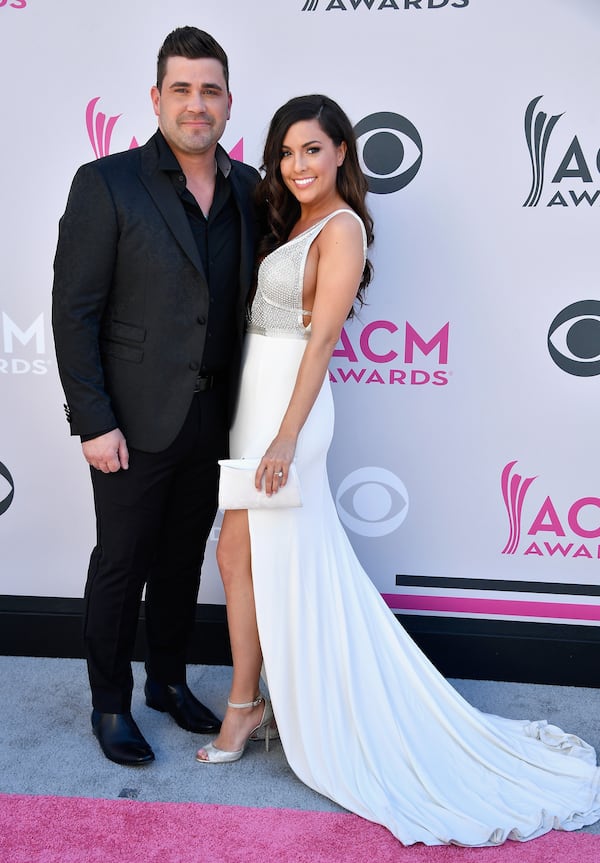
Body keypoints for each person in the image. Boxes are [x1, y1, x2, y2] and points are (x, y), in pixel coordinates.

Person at [194, 93, 600, 846]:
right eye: (286, 152)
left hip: (290, 412)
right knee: (237, 552)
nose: (297, 164)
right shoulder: (299, 221)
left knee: (255, 552)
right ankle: (253, 700)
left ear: (343, 152)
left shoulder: (342, 227)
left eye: (312, 149)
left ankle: (247, 703)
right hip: (260, 403)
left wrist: (285, 438)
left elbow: (318, 345)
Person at [51, 26, 259, 766]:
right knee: (122, 560)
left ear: (228, 101)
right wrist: (95, 420)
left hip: (215, 414)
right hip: (132, 420)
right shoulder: (106, 182)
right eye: (182, 89)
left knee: (180, 562)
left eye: (210, 90)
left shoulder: (248, 188)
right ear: (156, 98)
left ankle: (166, 681)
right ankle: (110, 703)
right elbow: (73, 311)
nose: (196, 104)